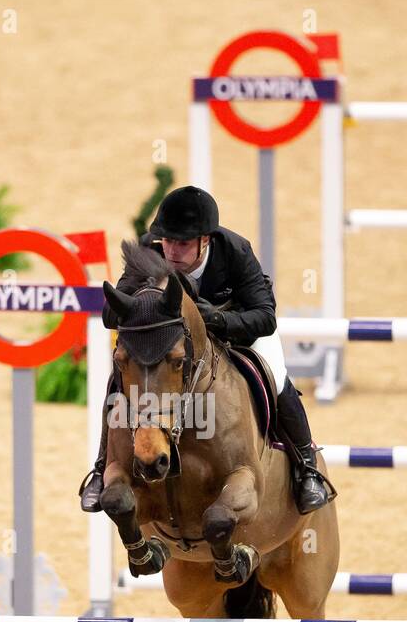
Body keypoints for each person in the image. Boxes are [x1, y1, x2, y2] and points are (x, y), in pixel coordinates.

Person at [79, 185, 335, 516]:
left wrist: (213, 317)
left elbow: (265, 317)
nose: (171, 251)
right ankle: (102, 470)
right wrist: (137, 304)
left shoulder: (235, 251)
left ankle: (305, 466)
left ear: (206, 240)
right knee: (122, 375)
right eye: (166, 240)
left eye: (182, 243)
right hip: (173, 342)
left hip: (236, 331)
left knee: (277, 374)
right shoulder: (150, 251)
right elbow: (113, 316)